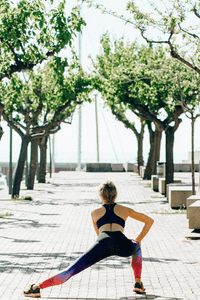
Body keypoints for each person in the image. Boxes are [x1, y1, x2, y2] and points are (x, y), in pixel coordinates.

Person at [24, 181, 154, 298]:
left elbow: (98, 233)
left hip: (102, 243)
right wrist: (138, 239)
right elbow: (149, 221)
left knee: (71, 270)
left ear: (100, 196)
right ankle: (138, 282)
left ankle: (37, 288)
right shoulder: (125, 210)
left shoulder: (94, 213)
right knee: (136, 246)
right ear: (115, 195)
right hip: (122, 243)